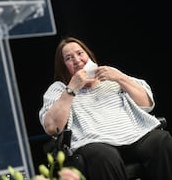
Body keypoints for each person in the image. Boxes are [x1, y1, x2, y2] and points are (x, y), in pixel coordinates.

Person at [39, 36, 172, 180]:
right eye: (69, 58)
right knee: (104, 156)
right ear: (63, 66)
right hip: (94, 143)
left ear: (89, 55)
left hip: (134, 136)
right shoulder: (60, 89)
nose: (77, 60)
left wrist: (120, 78)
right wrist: (72, 88)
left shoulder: (112, 76)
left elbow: (147, 104)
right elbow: (52, 127)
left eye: (80, 53)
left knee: (161, 141)